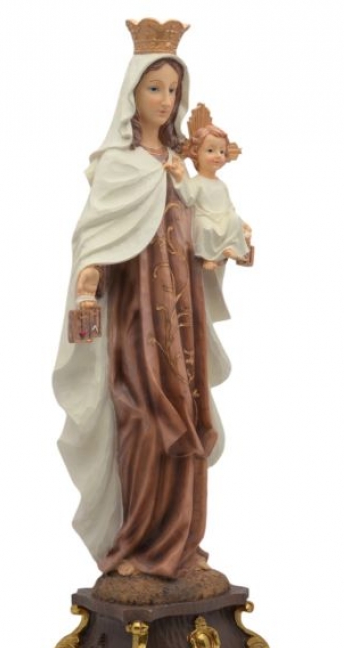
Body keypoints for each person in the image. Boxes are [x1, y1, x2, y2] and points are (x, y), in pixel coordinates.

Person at [53, 20, 233, 579]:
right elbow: (95, 236)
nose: (165, 99)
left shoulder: (182, 165)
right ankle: (134, 543)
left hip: (181, 315)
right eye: (154, 87)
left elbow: (202, 229)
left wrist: (228, 239)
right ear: (132, 91)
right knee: (144, 417)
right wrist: (88, 279)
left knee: (189, 416)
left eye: (173, 89)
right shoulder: (119, 164)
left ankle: (182, 544)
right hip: (136, 317)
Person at [166, 123, 252, 270]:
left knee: (233, 219)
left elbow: (229, 207)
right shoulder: (197, 182)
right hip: (205, 217)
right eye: (210, 150)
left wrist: (241, 222)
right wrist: (179, 178)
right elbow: (188, 198)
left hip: (221, 218)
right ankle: (207, 257)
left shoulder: (222, 185)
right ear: (196, 153)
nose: (218, 156)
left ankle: (232, 249)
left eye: (222, 152)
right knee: (203, 226)